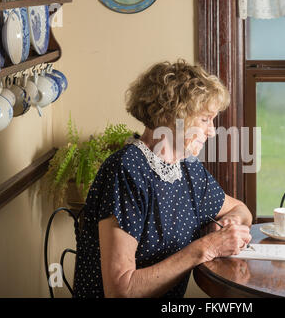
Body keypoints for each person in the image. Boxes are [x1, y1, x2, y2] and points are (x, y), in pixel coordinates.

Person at [73, 60, 253, 298]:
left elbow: (242, 210)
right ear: (173, 117)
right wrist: (207, 247)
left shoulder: (187, 169)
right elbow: (120, 290)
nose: (212, 130)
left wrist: (229, 223)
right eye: (204, 119)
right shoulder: (127, 170)